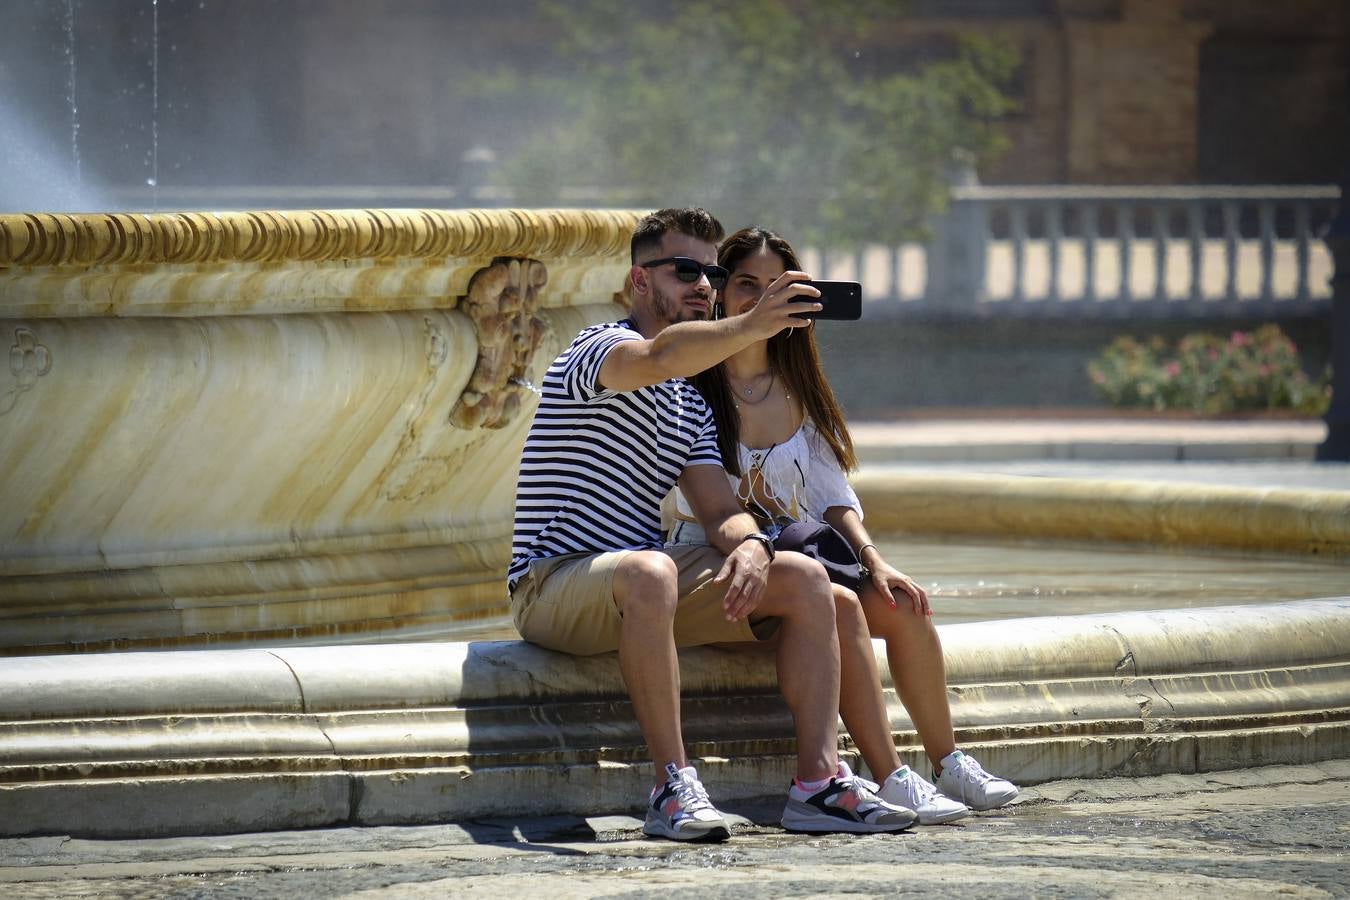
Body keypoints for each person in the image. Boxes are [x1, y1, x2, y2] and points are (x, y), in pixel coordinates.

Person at [508, 208, 916, 841]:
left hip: (644, 584)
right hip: (551, 584)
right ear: (639, 282)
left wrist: (752, 546)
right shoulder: (598, 351)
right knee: (650, 569)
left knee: (808, 580)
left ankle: (818, 785)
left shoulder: (690, 402)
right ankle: (672, 787)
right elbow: (662, 354)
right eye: (686, 270)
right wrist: (751, 322)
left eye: (713, 272)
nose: (704, 284)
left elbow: (720, 510)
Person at [668, 225, 1019, 824]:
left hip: (799, 558)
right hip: (721, 562)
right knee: (842, 605)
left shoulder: (797, 386)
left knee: (904, 603)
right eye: (745, 284)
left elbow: (832, 494)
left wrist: (874, 557)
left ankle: (949, 761)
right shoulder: (686, 384)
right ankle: (893, 776)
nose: (758, 299)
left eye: (774, 286)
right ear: (722, 292)